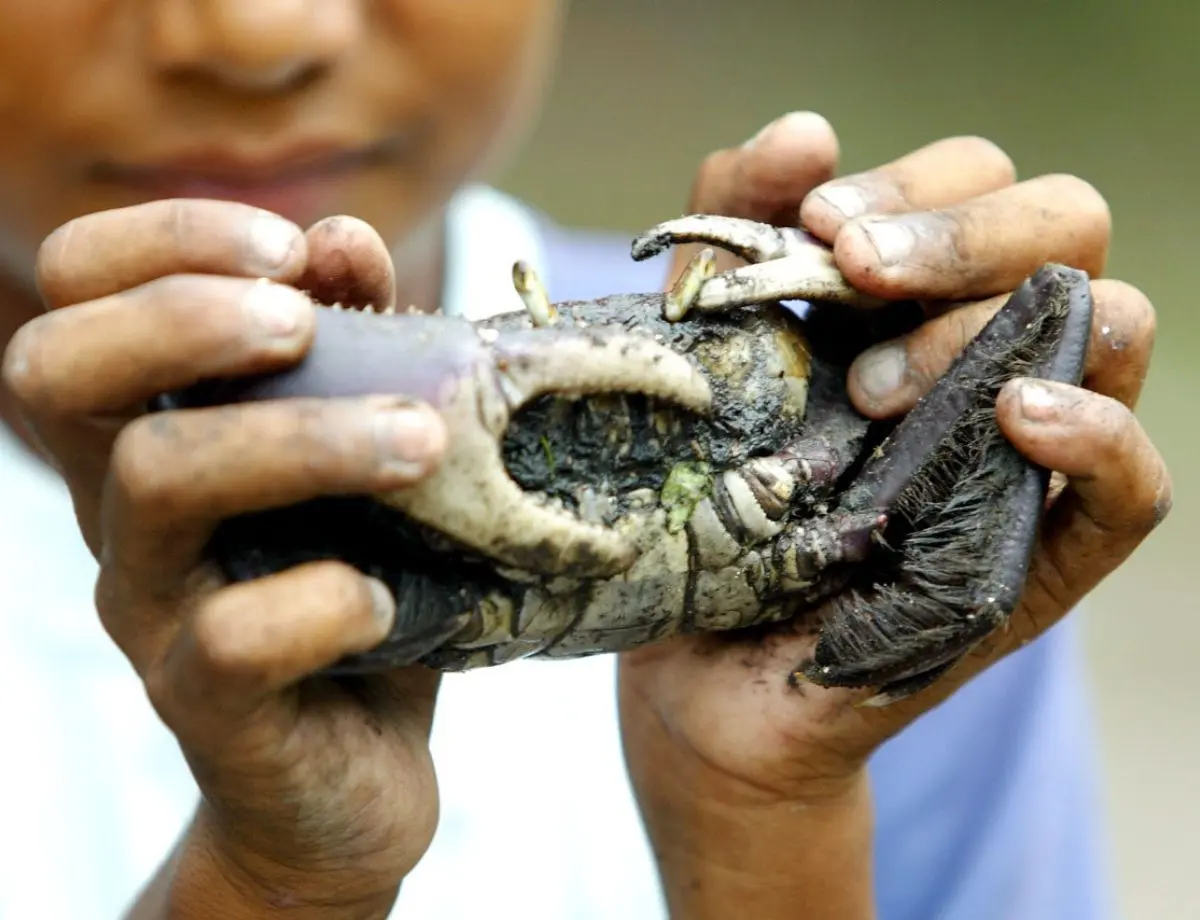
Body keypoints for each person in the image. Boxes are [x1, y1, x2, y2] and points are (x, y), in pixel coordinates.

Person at [0, 1, 1170, 918]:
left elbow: (966, 506)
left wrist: (766, 815)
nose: (259, 30)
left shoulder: (879, 462)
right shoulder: (304, 533)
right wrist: (277, 877)